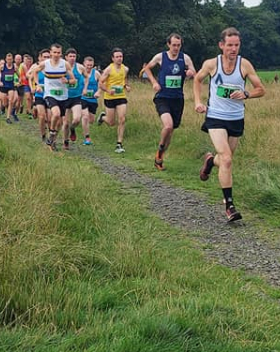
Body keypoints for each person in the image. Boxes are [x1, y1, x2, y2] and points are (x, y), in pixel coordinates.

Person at [194, 27, 266, 223]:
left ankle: (210, 162)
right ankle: (229, 205)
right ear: (221, 45)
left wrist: (246, 94)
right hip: (215, 117)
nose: (233, 49)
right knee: (226, 159)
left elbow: (261, 89)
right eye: (230, 45)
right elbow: (197, 80)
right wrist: (198, 102)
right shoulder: (211, 64)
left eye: (237, 45)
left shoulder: (245, 65)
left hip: (236, 118)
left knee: (225, 159)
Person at [141, 34, 197, 171]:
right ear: (168, 44)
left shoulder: (185, 58)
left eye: (178, 45)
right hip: (162, 97)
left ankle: (160, 157)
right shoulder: (161, 57)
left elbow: (195, 73)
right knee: (168, 126)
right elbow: (146, 68)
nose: (176, 48)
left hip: (178, 99)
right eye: (174, 45)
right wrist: (154, 82)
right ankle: (160, 151)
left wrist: (190, 73)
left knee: (171, 130)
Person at [29, 44, 77, 151]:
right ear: (51, 53)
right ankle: (51, 133)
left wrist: (68, 81)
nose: (56, 55)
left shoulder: (65, 64)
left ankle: (53, 140)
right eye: (54, 52)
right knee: (56, 113)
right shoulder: (45, 64)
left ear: (61, 53)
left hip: (63, 96)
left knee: (60, 122)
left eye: (58, 53)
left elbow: (74, 80)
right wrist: (37, 85)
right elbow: (34, 72)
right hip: (50, 94)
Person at [96, 47, 131, 154]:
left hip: (121, 96)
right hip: (109, 98)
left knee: (122, 119)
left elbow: (124, 79)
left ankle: (119, 143)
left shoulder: (125, 69)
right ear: (113, 58)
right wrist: (108, 90)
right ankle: (103, 117)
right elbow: (100, 83)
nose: (119, 59)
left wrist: (126, 86)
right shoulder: (108, 69)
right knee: (111, 123)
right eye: (117, 57)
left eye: (121, 56)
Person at [78, 56, 100, 146]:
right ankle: (87, 138)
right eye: (87, 65)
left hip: (93, 99)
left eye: (91, 65)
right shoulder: (80, 73)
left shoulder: (96, 74)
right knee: (85, 116)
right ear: (84, 64)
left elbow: (102, 83)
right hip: (82, 98)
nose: (89, 67)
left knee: (91, 120)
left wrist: (99, 92)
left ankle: (100, 118)